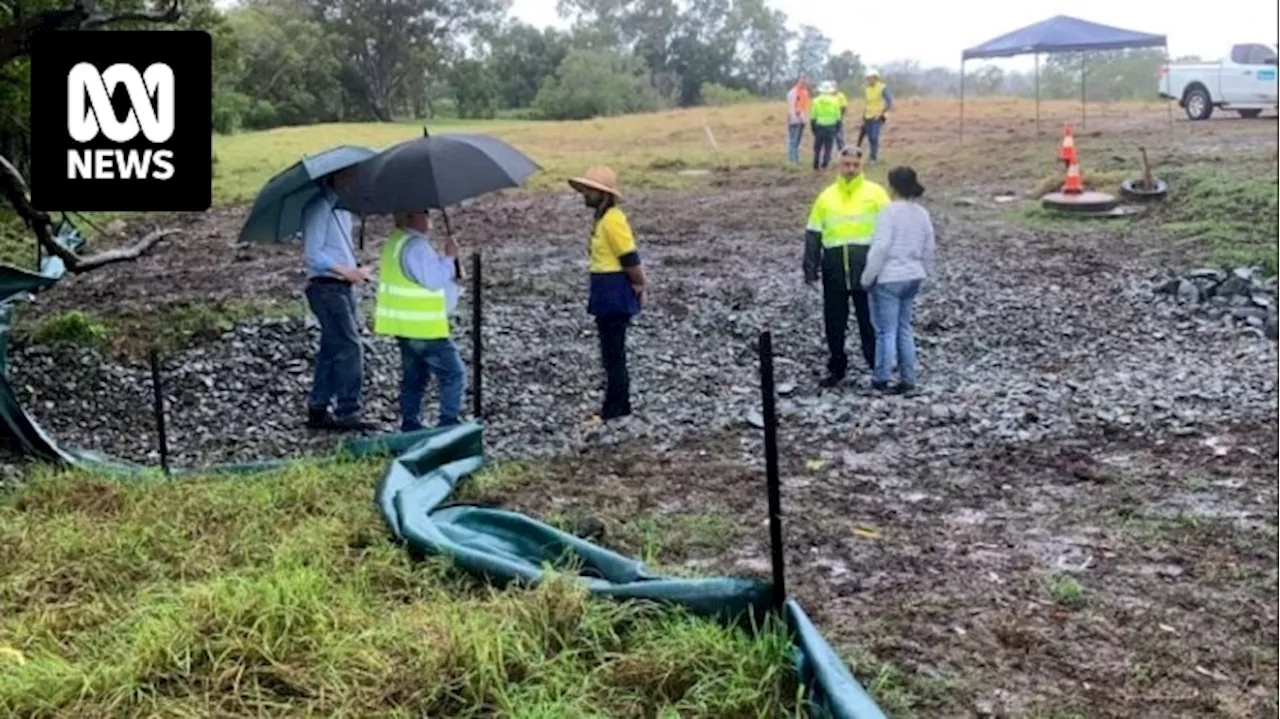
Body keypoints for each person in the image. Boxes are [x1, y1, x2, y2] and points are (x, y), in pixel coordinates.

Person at [802, 146, 891, 387]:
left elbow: (890, 230)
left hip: (867, 269)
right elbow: (813, 232)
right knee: (834, 323)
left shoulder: (876, 194)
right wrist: (810, 269)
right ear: (839, 165)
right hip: (834, 269)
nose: (850, 169)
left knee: (870, 322)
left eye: (855, 165)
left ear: (861, 166)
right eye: (846, 164)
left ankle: (878, 367)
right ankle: (837, 368)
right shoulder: (826, 197)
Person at [373, 211, 467, 431]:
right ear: (412, 216)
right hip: (424, 328)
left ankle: (410, 424)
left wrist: (451, 273)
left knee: (415, 377)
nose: (429, 218)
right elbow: (433, 280)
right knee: (453, 373)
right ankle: (448, 423)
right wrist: (450, 258)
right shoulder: (416, 247)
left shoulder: (396, 242)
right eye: (424, 212)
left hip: (403, 326)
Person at [568, 166, 645, 423]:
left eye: (590, 190)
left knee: (613, 353)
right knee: (610, 352)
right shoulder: (603, 219)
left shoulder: (613, 219)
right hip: (605, 287)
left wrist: (639, 284)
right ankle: (616, 404)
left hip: (613, 289)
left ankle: (617, 407)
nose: (585, 195)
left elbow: (629, 256)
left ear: (602, 194)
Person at [301, 167, 375, 431]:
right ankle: (348, 410)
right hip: (326, 287)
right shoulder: (319, 207)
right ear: (336, 177)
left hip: (341, 286)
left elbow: (338, 251)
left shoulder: (342, 210)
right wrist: (346, 271)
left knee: (332, 348)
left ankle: (318, 409)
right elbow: (312, 255)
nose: (355, 181)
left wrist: (355, 270)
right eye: (350, 176)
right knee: (350, 346)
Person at [860, 167, 935, 394]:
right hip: (914, 274)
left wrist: (867, 277)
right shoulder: (922, 213)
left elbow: (880, 248)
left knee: (886, 330)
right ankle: (908, 378)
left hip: (890, 277)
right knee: (905, 327)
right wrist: (926, 271)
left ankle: (882, 377)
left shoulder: (888, 213)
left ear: (892, 186)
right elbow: (929, 246)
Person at [855, 68, 893, 163]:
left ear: (876, 78)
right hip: (868, 116)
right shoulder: (867, 89)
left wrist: (882, 113)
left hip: (878, 116)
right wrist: (863, 115)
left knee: (874, 136)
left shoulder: (883, 88)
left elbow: (889, 102)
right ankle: (870, 155)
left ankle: (873, 158)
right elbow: (867, 103)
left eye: (871, 78)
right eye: (868, 78)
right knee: (869, 137)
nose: (869, 80)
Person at [809, 81, 841, 171]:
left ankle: (816, 163)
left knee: (817, 147)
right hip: (831, 126)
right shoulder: (835, 100)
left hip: (819, 126)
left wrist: (813, 129)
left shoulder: (816, 101)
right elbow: (838, 116)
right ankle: (825, 164)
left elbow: (813, 116)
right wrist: (837, 128)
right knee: (828, 147)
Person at [785, 75, 811, 164]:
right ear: (799, 82)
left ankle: (794, 157)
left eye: (806, 82)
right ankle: (793, 159)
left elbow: (804, 107)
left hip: (801, 119)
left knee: (797, 140)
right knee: (794, 140)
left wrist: (804, 119)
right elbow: (794, 107)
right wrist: (798, 117)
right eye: (803, 82)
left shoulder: (805, 92)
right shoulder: (793, 92)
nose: (805, 84)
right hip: (795, 119)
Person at [834, 83, 849, 150]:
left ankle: (842, 149)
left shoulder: (840, 96)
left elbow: (844, 107)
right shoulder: (829, 96)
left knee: (839, 135)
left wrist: (841, 117)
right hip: (830, 118)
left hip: (839, 118)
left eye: (835, 86)